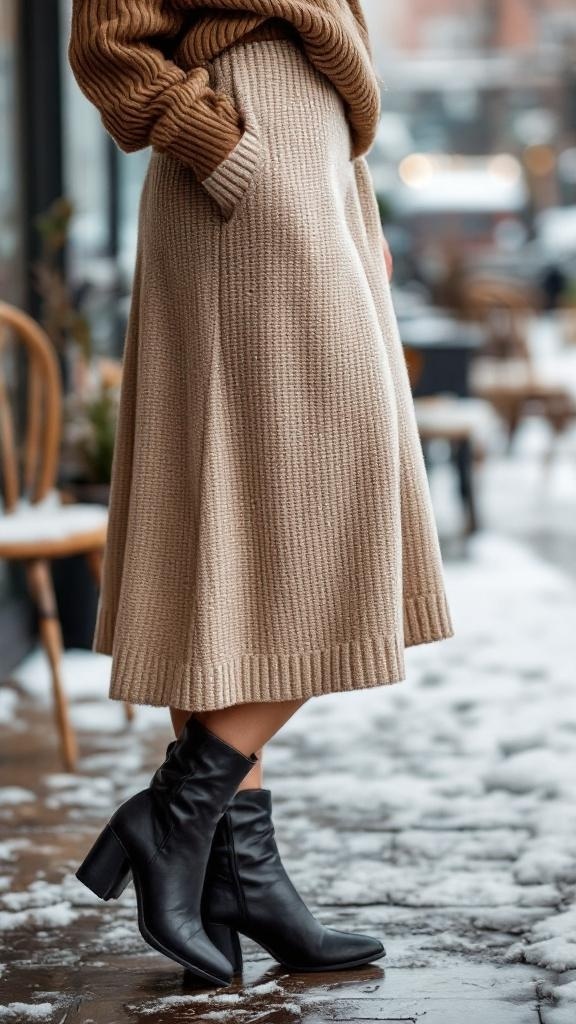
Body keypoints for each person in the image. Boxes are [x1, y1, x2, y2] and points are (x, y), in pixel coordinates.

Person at [68, 0, 454, 988]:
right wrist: (229, 152)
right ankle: (177, 815)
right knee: (328, 508)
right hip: (246, 176)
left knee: (234, 534)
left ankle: (239, 871)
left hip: (313, 172)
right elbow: (109, 41)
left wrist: (340, 189)